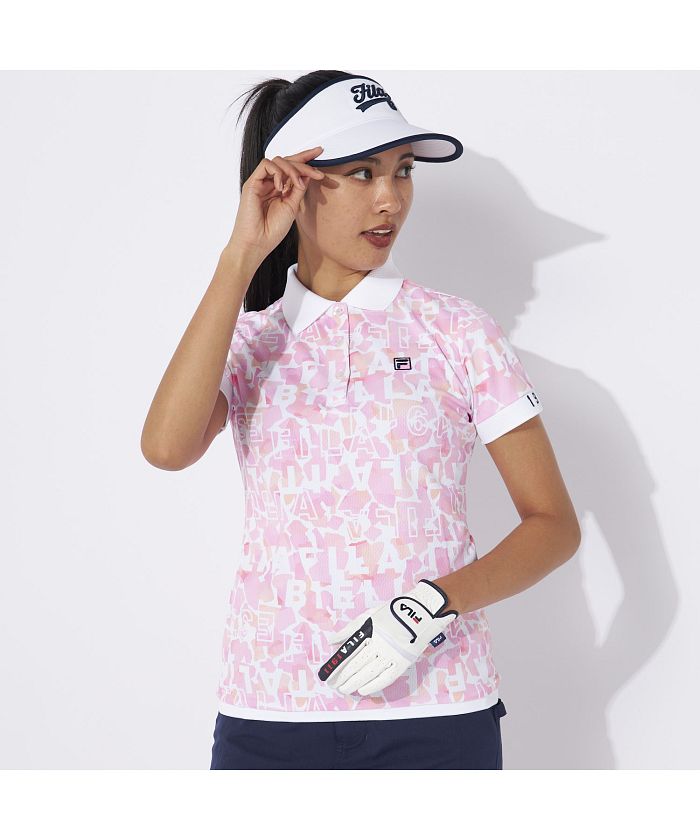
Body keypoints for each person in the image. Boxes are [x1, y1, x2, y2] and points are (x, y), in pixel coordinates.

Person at [141, 70, 581, 770]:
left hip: (439, 708)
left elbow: (553, 524)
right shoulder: (247, 339)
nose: (390, 199)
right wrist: (241, 255)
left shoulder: (458, 330)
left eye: (403, 171)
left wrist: (431, 605)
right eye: (362, 173)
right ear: (292, 183)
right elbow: (166, 448)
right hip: (270, 709)